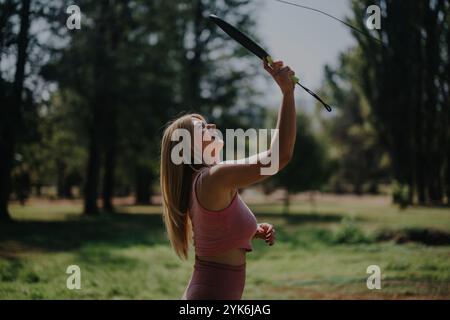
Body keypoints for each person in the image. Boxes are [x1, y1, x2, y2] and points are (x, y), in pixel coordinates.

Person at [160, 59, 297, 299]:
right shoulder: (212, 178)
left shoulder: (205, 183)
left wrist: (249, 231)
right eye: (201, 128)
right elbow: (278, 157)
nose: (211, 125)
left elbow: (215, 230)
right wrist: (287, 93)